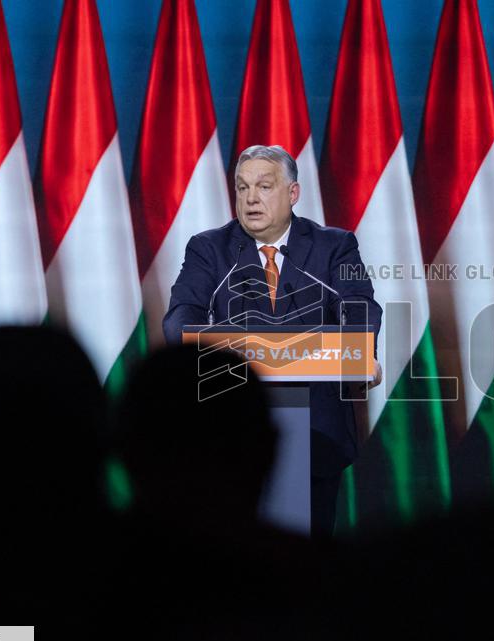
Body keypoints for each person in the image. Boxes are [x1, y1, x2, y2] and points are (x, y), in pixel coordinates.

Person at [164, 144, 383, 537]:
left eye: (264, 186)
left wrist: (362, 352)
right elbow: (182, 315)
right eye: (242, 187)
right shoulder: (209, 249)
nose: (250, 199)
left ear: (293, 193)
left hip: (315, 428)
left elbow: (359, 305)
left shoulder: (336, 246)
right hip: (233, 429)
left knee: (307, 558)